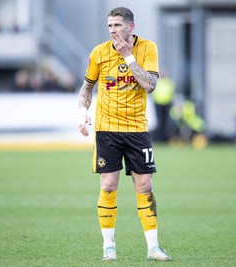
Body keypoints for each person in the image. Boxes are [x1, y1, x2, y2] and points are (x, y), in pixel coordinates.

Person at [77, 7, 172, 262]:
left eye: (117, 25)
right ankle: (109, 246)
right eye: (109, 26)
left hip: (137, 129)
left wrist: (129, 57)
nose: (112, 31)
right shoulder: (99, 52)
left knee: (145, 186)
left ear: (131, 27)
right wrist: (82, 113)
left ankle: (153, 247)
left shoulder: (148, 48)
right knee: (108, 185)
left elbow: (150, 85)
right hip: (107, 129)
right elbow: (86, 89)